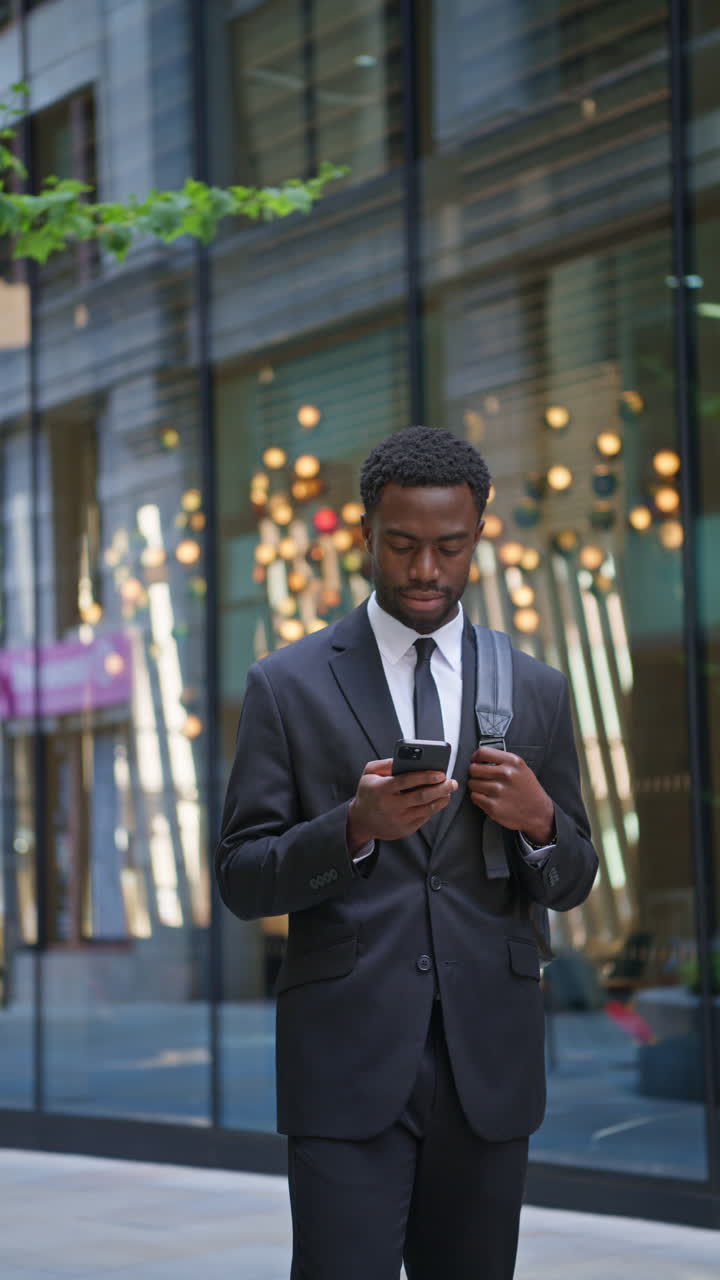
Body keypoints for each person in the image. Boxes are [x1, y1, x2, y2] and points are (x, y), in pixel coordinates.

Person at [216, 426, 598, 1280]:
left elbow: (573, 879)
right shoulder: (288, 684)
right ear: (365, 536)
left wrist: (540, 822)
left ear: (479, 539)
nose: (426, 570)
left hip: (487, 1070)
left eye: (449, 547)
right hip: (345, 1066)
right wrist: (352, 829)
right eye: (403, 545)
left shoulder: (534, 687)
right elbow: (242, 875)